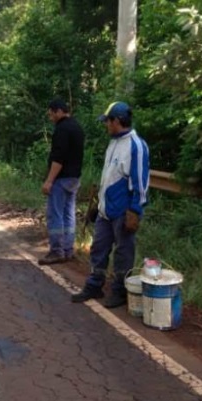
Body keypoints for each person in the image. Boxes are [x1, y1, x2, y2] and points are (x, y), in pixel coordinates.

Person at [71, 101, 150, 308]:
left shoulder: (136, 145)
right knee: (98, 248)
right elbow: (109, 176)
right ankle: (94, 285)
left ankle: (119, 291)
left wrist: (135, 210)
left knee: (123, 252)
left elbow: (140, 183)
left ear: (117, 121)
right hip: (107, 210)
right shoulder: (113, 142)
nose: (106, 125)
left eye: (107, 121)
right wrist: (99, 204)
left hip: (123, 211)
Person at [38, 98, 85, 265]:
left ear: (59, 111)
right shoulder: (77, 127)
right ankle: (68, 249)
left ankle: (57, 250)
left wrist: (49, 181)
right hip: (74, 178)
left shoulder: (62, 129)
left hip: (61, 178)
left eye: (51, 114)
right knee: (68, 214)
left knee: (55, 214)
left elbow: (58, 158)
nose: (50, 117)